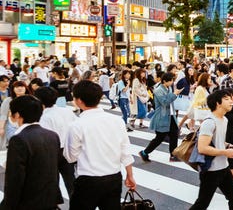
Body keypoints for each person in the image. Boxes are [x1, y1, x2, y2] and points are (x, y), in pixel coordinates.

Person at [65, 80, 136, 210]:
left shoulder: (76, 125)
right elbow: (125, 150)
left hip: (88, 180)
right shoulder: (117, 121)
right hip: (113, 177)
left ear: (79, 101)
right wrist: (130, 175)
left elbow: (71, 157)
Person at [1, 94, 63, 210]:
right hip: (50, 198)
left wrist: (8, 205)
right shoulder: (52, 135)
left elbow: (14, 178)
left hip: (28, 201)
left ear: (17, 115)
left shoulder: (18, 139)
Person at [188, 89, 233, 210]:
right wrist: (225, 152)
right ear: (218, 103)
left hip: (224, 167)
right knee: (202, 203)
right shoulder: (209, 122)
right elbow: (202, 148)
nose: (231, 101)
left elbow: (217, 141)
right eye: (227, 99)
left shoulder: (224, 119)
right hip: (211, 171)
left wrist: (227, 146)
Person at [34, 86, 77, 196]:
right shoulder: (67, 111)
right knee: (71, 180)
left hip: (52, 152)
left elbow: (45, 138)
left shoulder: (44, 117)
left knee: (52, 182)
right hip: (68, 148)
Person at [140, 72, 184, 163]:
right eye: (171, 80)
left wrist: (174, 94)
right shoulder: (158, 90)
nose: (172, 82)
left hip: (170, 116)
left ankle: (173, 155)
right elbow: (165, 102)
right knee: (159, 138)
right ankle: (144, 152)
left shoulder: (168, 88)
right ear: (164, 81)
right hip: (162, 117)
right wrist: (175, 94)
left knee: (174, 135)